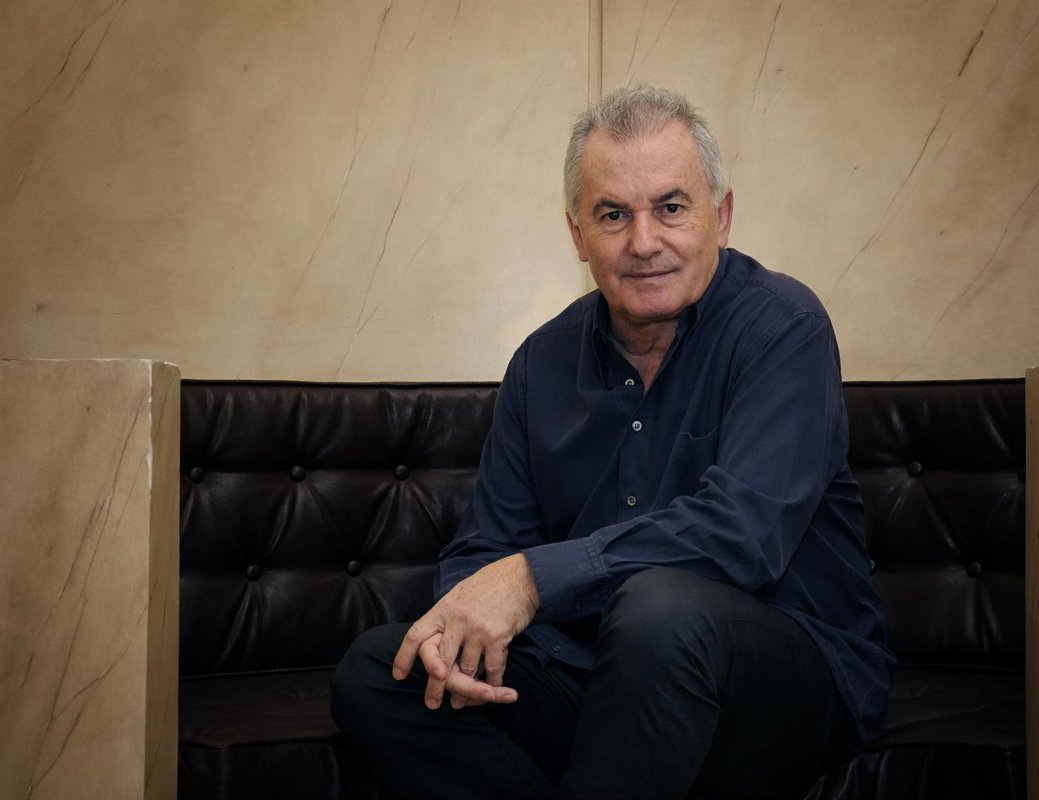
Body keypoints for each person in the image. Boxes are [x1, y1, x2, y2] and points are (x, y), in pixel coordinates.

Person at [331, 85, 893, 799]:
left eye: (671, 207)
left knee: (659, 612)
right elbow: (485, 551)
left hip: (785, 672)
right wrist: (460, 630)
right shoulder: (540, 363)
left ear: (721, 216)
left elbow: (743, 535)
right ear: (577, 235)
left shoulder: (783, 328)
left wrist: (533, 579)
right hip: (598, 674)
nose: (644, 242)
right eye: (613, 215)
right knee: (380, 670)